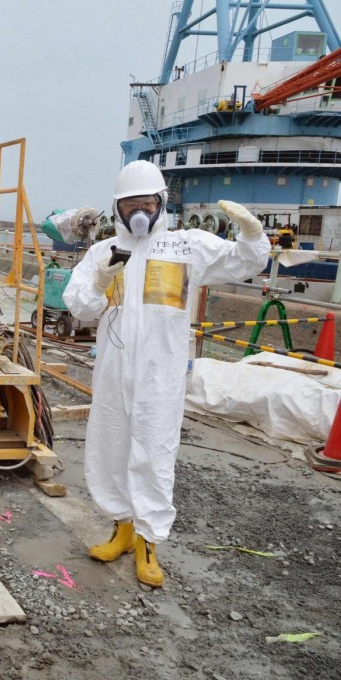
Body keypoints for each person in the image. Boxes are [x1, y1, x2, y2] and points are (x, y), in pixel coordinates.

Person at [62, 160, 270, 588]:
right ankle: (120, 528)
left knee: (154, 451)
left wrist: (252, 233)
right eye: (131, 204)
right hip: (115, 370)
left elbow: (245, 262)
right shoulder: (103, 253)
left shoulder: (185, 246)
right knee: (111, 444)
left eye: (147, 203)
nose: (140, 212)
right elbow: (79, 308)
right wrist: (102, 280)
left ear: (161, 204)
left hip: (161, 371)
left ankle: (148, 542)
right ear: (118, 208)